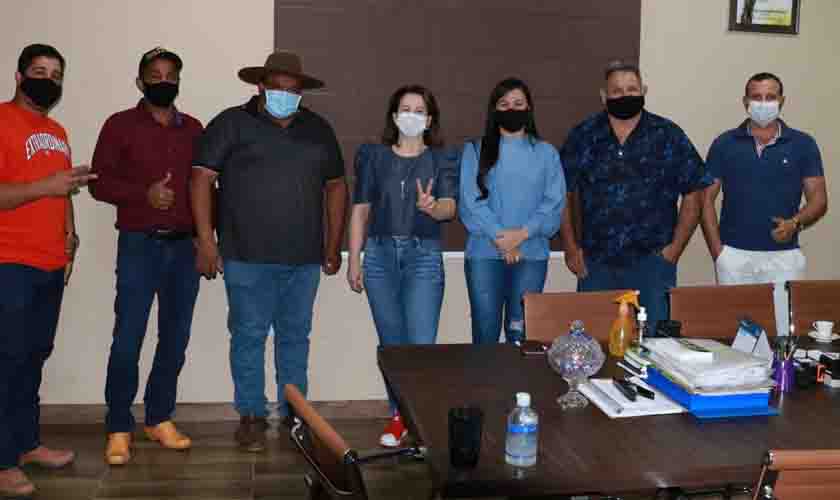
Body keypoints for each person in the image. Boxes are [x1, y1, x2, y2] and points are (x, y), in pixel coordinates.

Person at [191, 51, 348, 452]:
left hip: (304, 259)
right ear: (260, 86)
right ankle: (251, 416)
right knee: (248, 337)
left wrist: (333, 245)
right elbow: (201, 178)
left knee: (295, 338)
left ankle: (296, 416)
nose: (285, 95)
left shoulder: (318, 129)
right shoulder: (231, 123)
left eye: (293, 90)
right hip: (246, 256)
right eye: (277, 88)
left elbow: (336, 185)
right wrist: (206, 241)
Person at [89, 47, 204, 465]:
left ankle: (158, 417)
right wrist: (144, 194)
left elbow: (205, 187)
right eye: (155, 76)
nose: (164, 82)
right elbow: (98, 183)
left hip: (185, 247)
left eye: (171, 76)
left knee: (175, 337)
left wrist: (206, 238)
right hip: (139, 244)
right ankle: (119, 425)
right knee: (128, 337)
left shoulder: (194, 129)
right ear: (140, 82)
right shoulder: (119, 125)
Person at [0, 43, 96, 498]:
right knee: (7, 360)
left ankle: (25, 443)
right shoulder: (2, 121)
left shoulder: (57, 131)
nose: (48, 80)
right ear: (19, 77)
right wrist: (47, 186)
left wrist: (70, 234)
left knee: (33, 357)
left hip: (49, 261)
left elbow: (62, 190)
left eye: (56, 75)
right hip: (9, 262)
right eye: (40, 71)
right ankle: (2, 461)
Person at [347, 85, 458, 447]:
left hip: (422, 256)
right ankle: (399, 418)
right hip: (379, 257)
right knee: (392, 346)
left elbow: (450, 207)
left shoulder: (442, 159)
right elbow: (360, 210)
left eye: (419, 110)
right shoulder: (373, 157)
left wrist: (432, 207)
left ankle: (421, 421)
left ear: (429, 119)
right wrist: (354, 259)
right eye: (405, 109)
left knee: (421, 346)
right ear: (395, 116)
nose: (411, 115)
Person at [560, 60, 710, 327]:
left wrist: (674, 250)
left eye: (632, 89)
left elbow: (694, 191)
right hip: (596, 265)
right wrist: (571, 249)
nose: (625, 95)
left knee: (653, 343)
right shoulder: (583, 135)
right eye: (616, 91)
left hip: (653, 263)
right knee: (596, 341)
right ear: (604, 96)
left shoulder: (667, 135)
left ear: (644, 91)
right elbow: (563, 193)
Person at [701, 72, 827, 336]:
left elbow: (818, 200)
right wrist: (718, 252)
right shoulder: (725, 143)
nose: (763, 103)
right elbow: (705, 199)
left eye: (770, 97)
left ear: (782, 101)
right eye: (756, 97)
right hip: (734, 256)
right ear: (745, 102)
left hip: (784, 258)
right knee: (734, 335)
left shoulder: (803, 144)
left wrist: (795, 223)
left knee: (783, 335)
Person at [460, 78, 566, 345]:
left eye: (518, 104)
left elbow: (553, 203)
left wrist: (521, 235)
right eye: (504, 104)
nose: (512, 109)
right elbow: (470, 203)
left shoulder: (547, 153)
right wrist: (502, 239)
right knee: (485, 333)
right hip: (484, 254)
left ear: (529, 108)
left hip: (531, 254)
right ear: (494, 110)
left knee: (521, 335)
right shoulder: (475, 150)